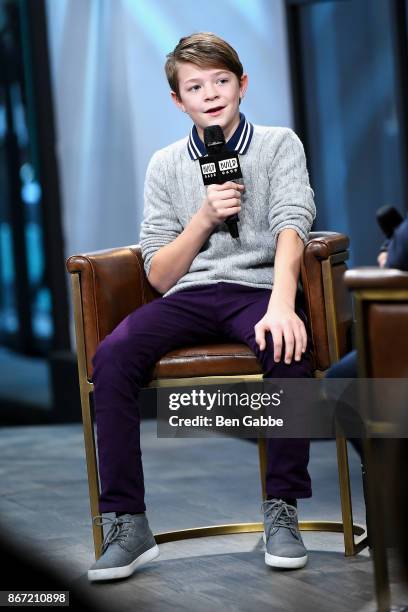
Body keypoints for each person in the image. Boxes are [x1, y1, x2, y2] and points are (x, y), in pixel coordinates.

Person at [87, 32, 316, 582]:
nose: (211, 94)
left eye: (220, 80)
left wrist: (283, 304)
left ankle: (282, 511)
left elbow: (293, 224)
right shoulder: (166, 165)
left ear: (241, 84)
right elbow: (159, 274)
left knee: (286, 345)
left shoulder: (279, 143)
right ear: (178, 101)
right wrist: (204, 219)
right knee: (112, 357)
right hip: (190, 294)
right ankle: (128, 522)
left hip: (259, 289)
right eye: (195, 86)